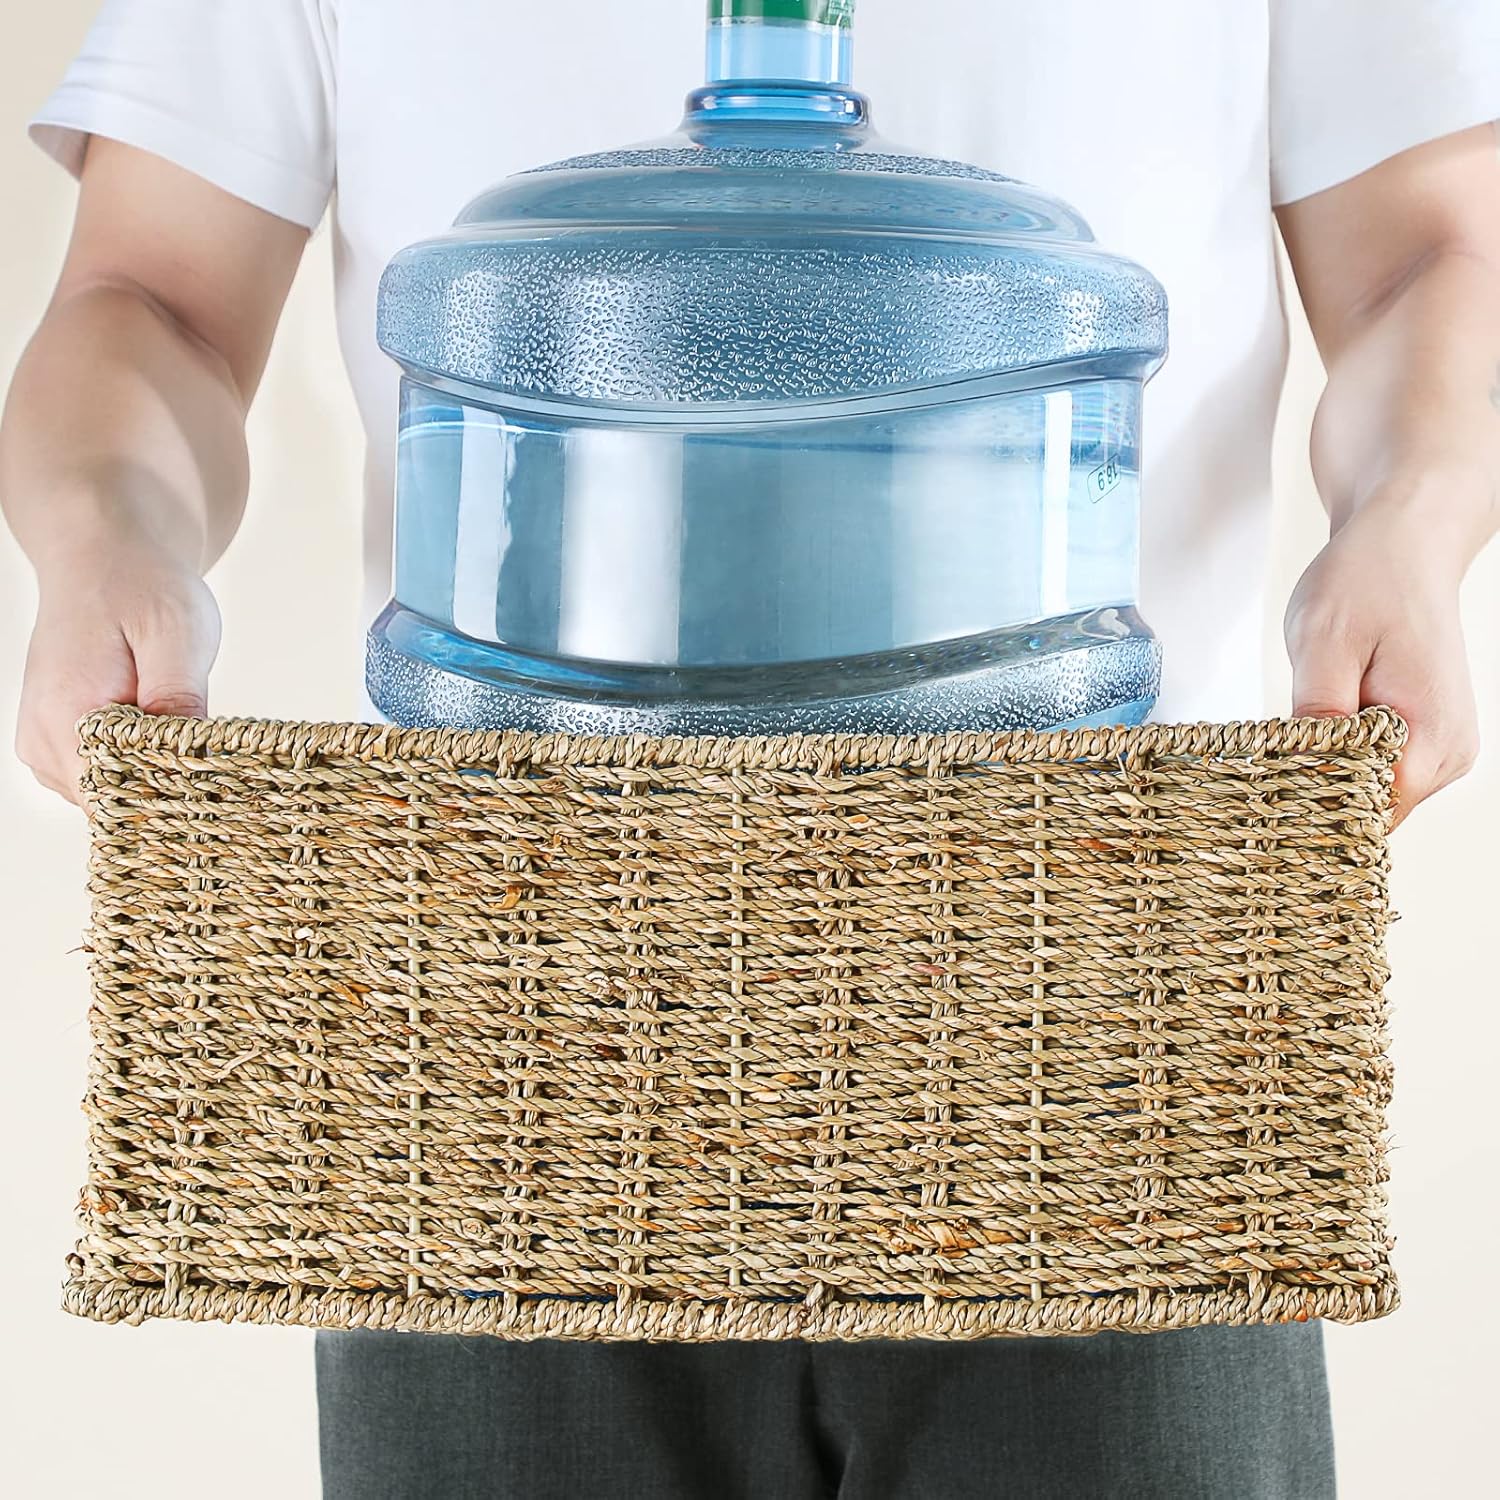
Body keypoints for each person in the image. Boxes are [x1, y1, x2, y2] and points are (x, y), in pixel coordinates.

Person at [4, 2, 1498, 1496]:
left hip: (1099, 1016)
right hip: (507, 1029)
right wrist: (99, 541)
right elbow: (153, 297)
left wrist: (1409, 532)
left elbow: (1431, 256)